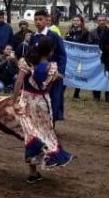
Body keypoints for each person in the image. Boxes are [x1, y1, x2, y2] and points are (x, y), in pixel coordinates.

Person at [13, 36, 73, 183]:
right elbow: (48, 88)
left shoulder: (25, 62)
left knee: (30, 133)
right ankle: (46, 154)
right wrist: (55, 78)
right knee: (44, 132)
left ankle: (32, 172)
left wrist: (14, 99)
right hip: (42, 102)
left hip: (26, 101)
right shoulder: (52, 67)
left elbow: (19, 81)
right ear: (51, 51)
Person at [30, 10, 67, 122]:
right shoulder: (33, 37)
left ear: (47, 20)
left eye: (41, 19)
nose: (38, 22)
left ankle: (51, 123)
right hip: (38, 75)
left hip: (53, 74)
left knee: (53, 99)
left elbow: (62, 55)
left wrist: (59, 72)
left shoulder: (53, 36)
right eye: (36, 20)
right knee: (38, 99)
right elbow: (31, 54)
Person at [65, 15, 92, 99]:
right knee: (67, 72)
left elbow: (87, 43)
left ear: (81, 22)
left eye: (77, 20)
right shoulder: (69, 31)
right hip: (70, 57)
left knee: (79, 73)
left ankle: (76, 94)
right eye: (74, 20)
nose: (75, 22)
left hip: (80, 57)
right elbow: (66, 41)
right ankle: (62, 90)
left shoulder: (85, 32)